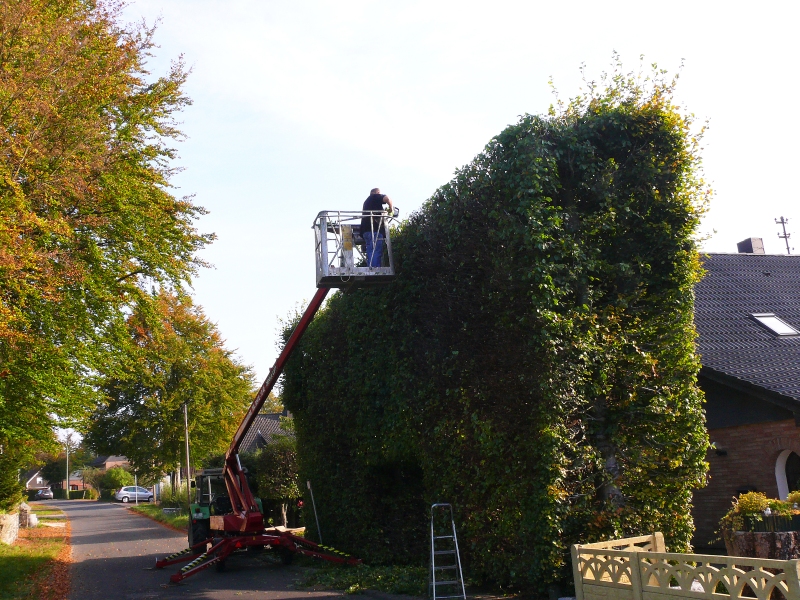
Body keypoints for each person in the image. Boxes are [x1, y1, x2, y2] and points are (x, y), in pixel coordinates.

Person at [360, 188, 393, 267]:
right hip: (374, 229)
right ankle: (375, 269)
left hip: (365, 230)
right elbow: (387, 199)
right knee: (376, 250)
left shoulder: (367, 202)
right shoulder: (374, 197)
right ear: (377, 192)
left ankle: (371, 267)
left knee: (370, 250)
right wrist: (391, 209)